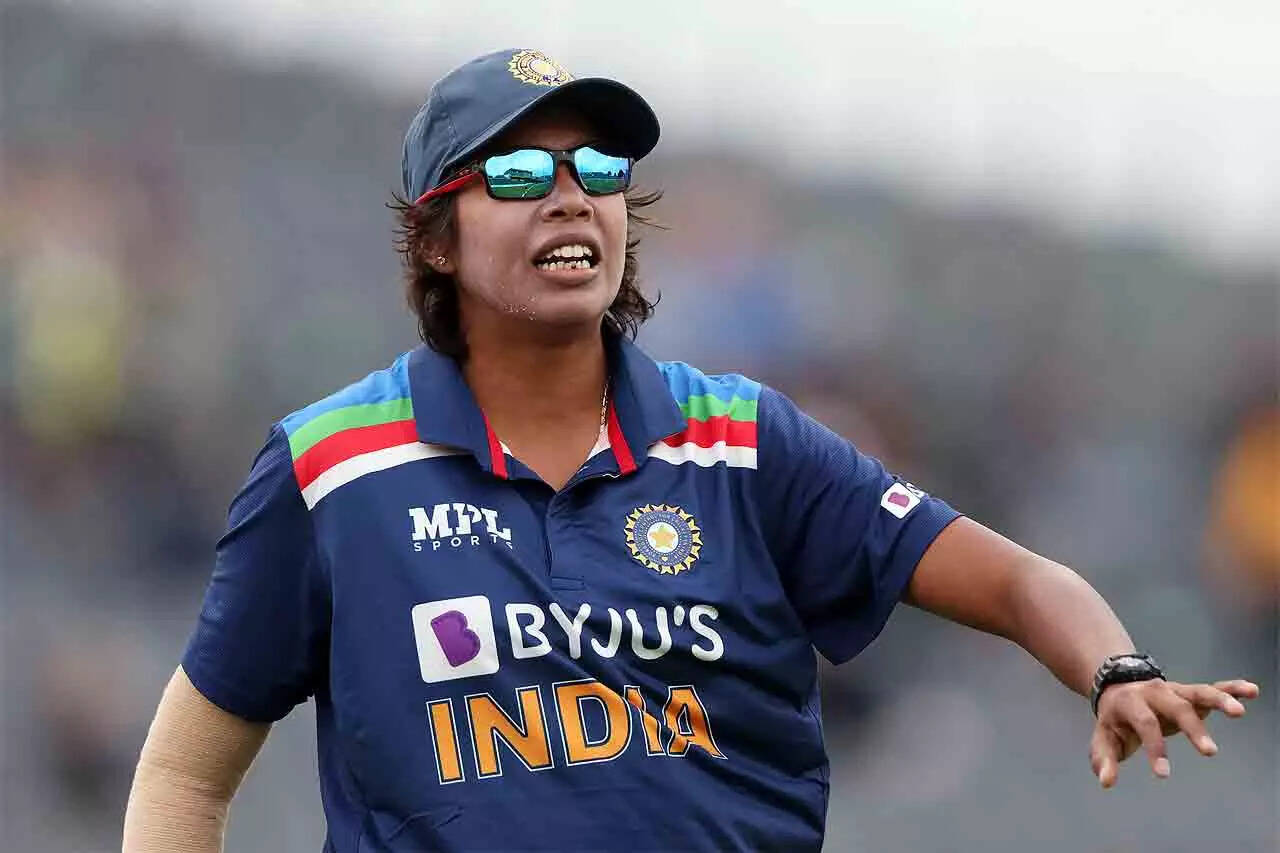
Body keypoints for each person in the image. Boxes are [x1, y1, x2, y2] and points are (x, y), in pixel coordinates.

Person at [123, 49, 1259, 852]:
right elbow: (184, 773)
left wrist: (1114, 667)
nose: (568, 199)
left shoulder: (743, 442)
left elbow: (1014, 579)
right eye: (516, 175)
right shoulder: (332, 469)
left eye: (597, 172)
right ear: (434, 237)